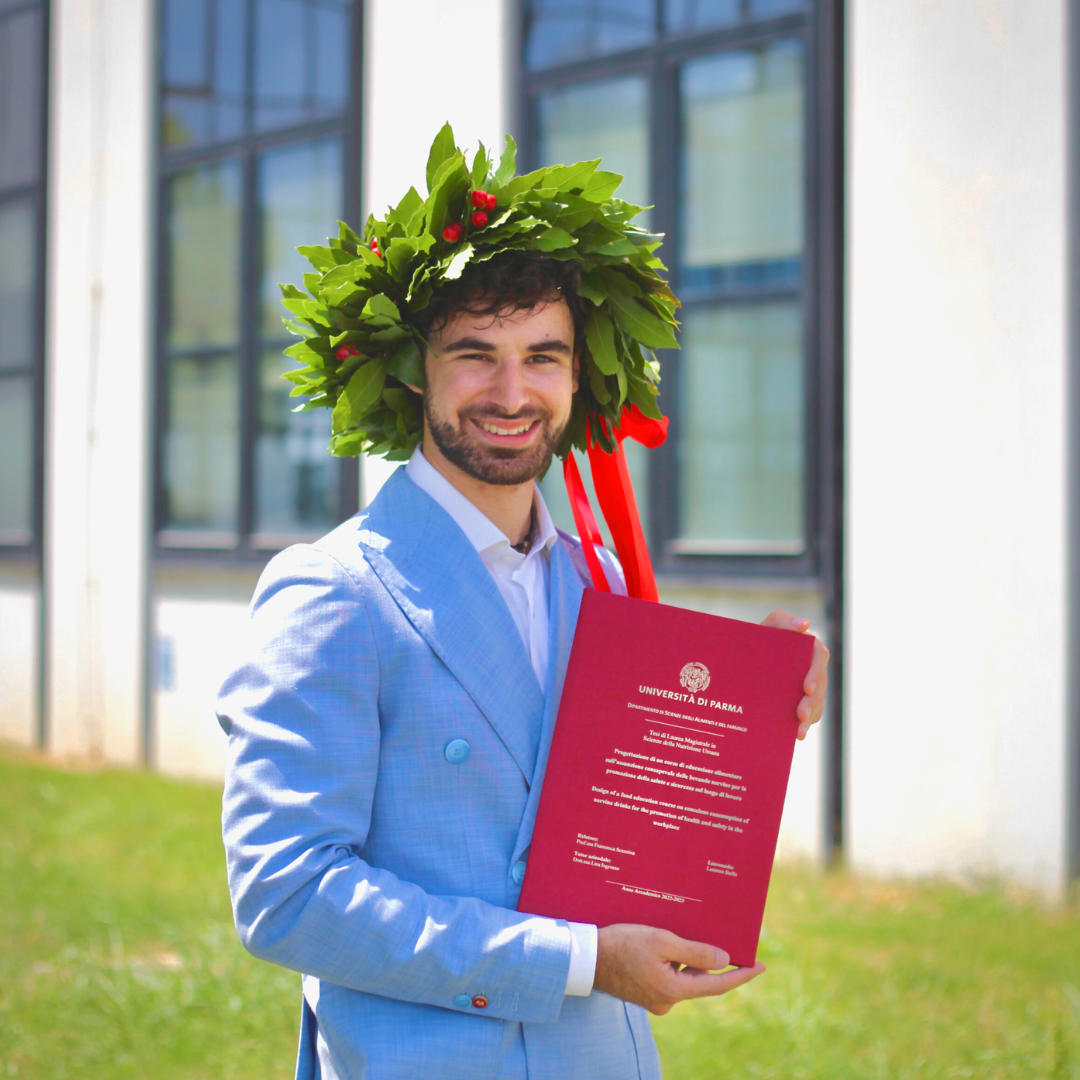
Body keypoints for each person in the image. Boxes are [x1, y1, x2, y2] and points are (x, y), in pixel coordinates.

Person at [218, 136, 828, 1080]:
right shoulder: (331, 591)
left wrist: (760, 700)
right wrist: (578, 959)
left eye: (543, 355)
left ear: (580, 377)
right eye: (475, 354)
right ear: (416, 368)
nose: (513, 392)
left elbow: (638, 799)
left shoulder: (597, 583)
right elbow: (286, 894)